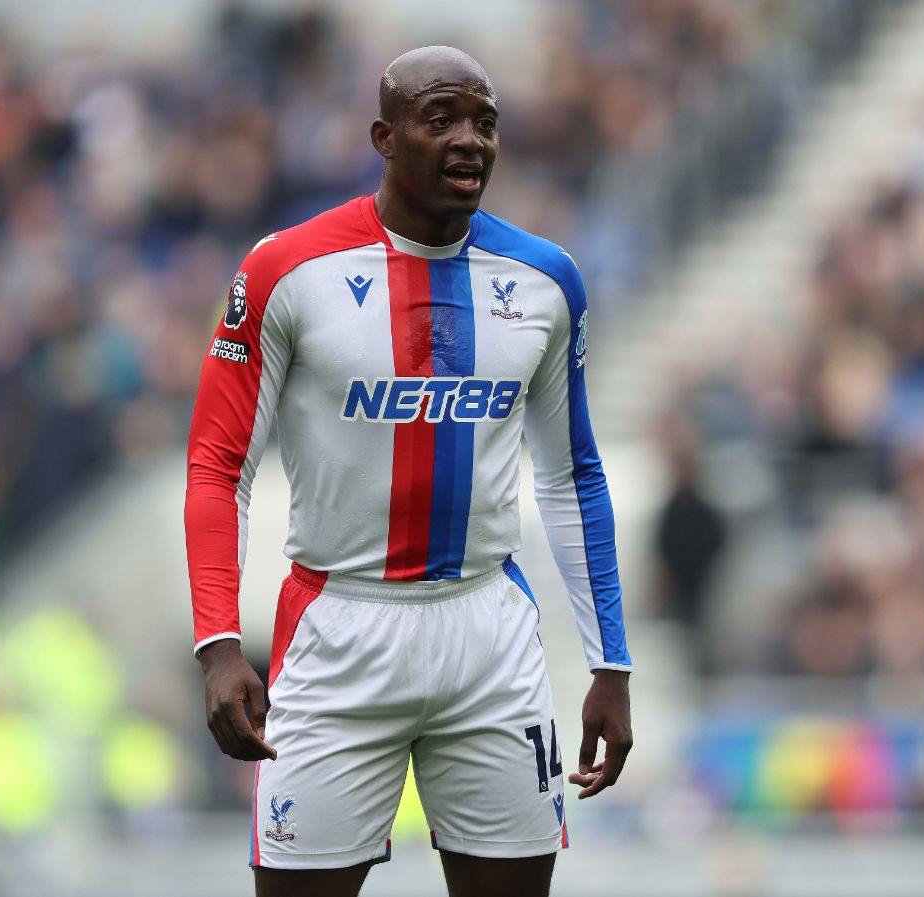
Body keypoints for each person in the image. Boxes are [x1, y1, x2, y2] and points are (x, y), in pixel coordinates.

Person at [185, 46, 633, 897]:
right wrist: (217, 644)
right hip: (339, 626)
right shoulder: (286, 270)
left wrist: (611, 663)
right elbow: (216, 465)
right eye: (441, 119)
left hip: (489, 633)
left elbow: (572, 472)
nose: (469, 140)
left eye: (485, 123)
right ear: (384, 138)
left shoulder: (546, 280)